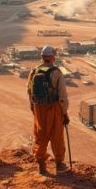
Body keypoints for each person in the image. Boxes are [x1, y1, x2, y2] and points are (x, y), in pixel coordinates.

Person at [27, 45, 70, 175]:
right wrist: (64, 113)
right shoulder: (57, 72)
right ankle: (59, 165)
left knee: (40, 136)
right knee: (56, 136)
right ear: (52, 57)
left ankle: (41, 165)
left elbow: (29, 92)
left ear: (42, 57)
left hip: (39, 109)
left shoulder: (34, 71)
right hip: (54, 109)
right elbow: (62, 96)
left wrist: (34, 109)